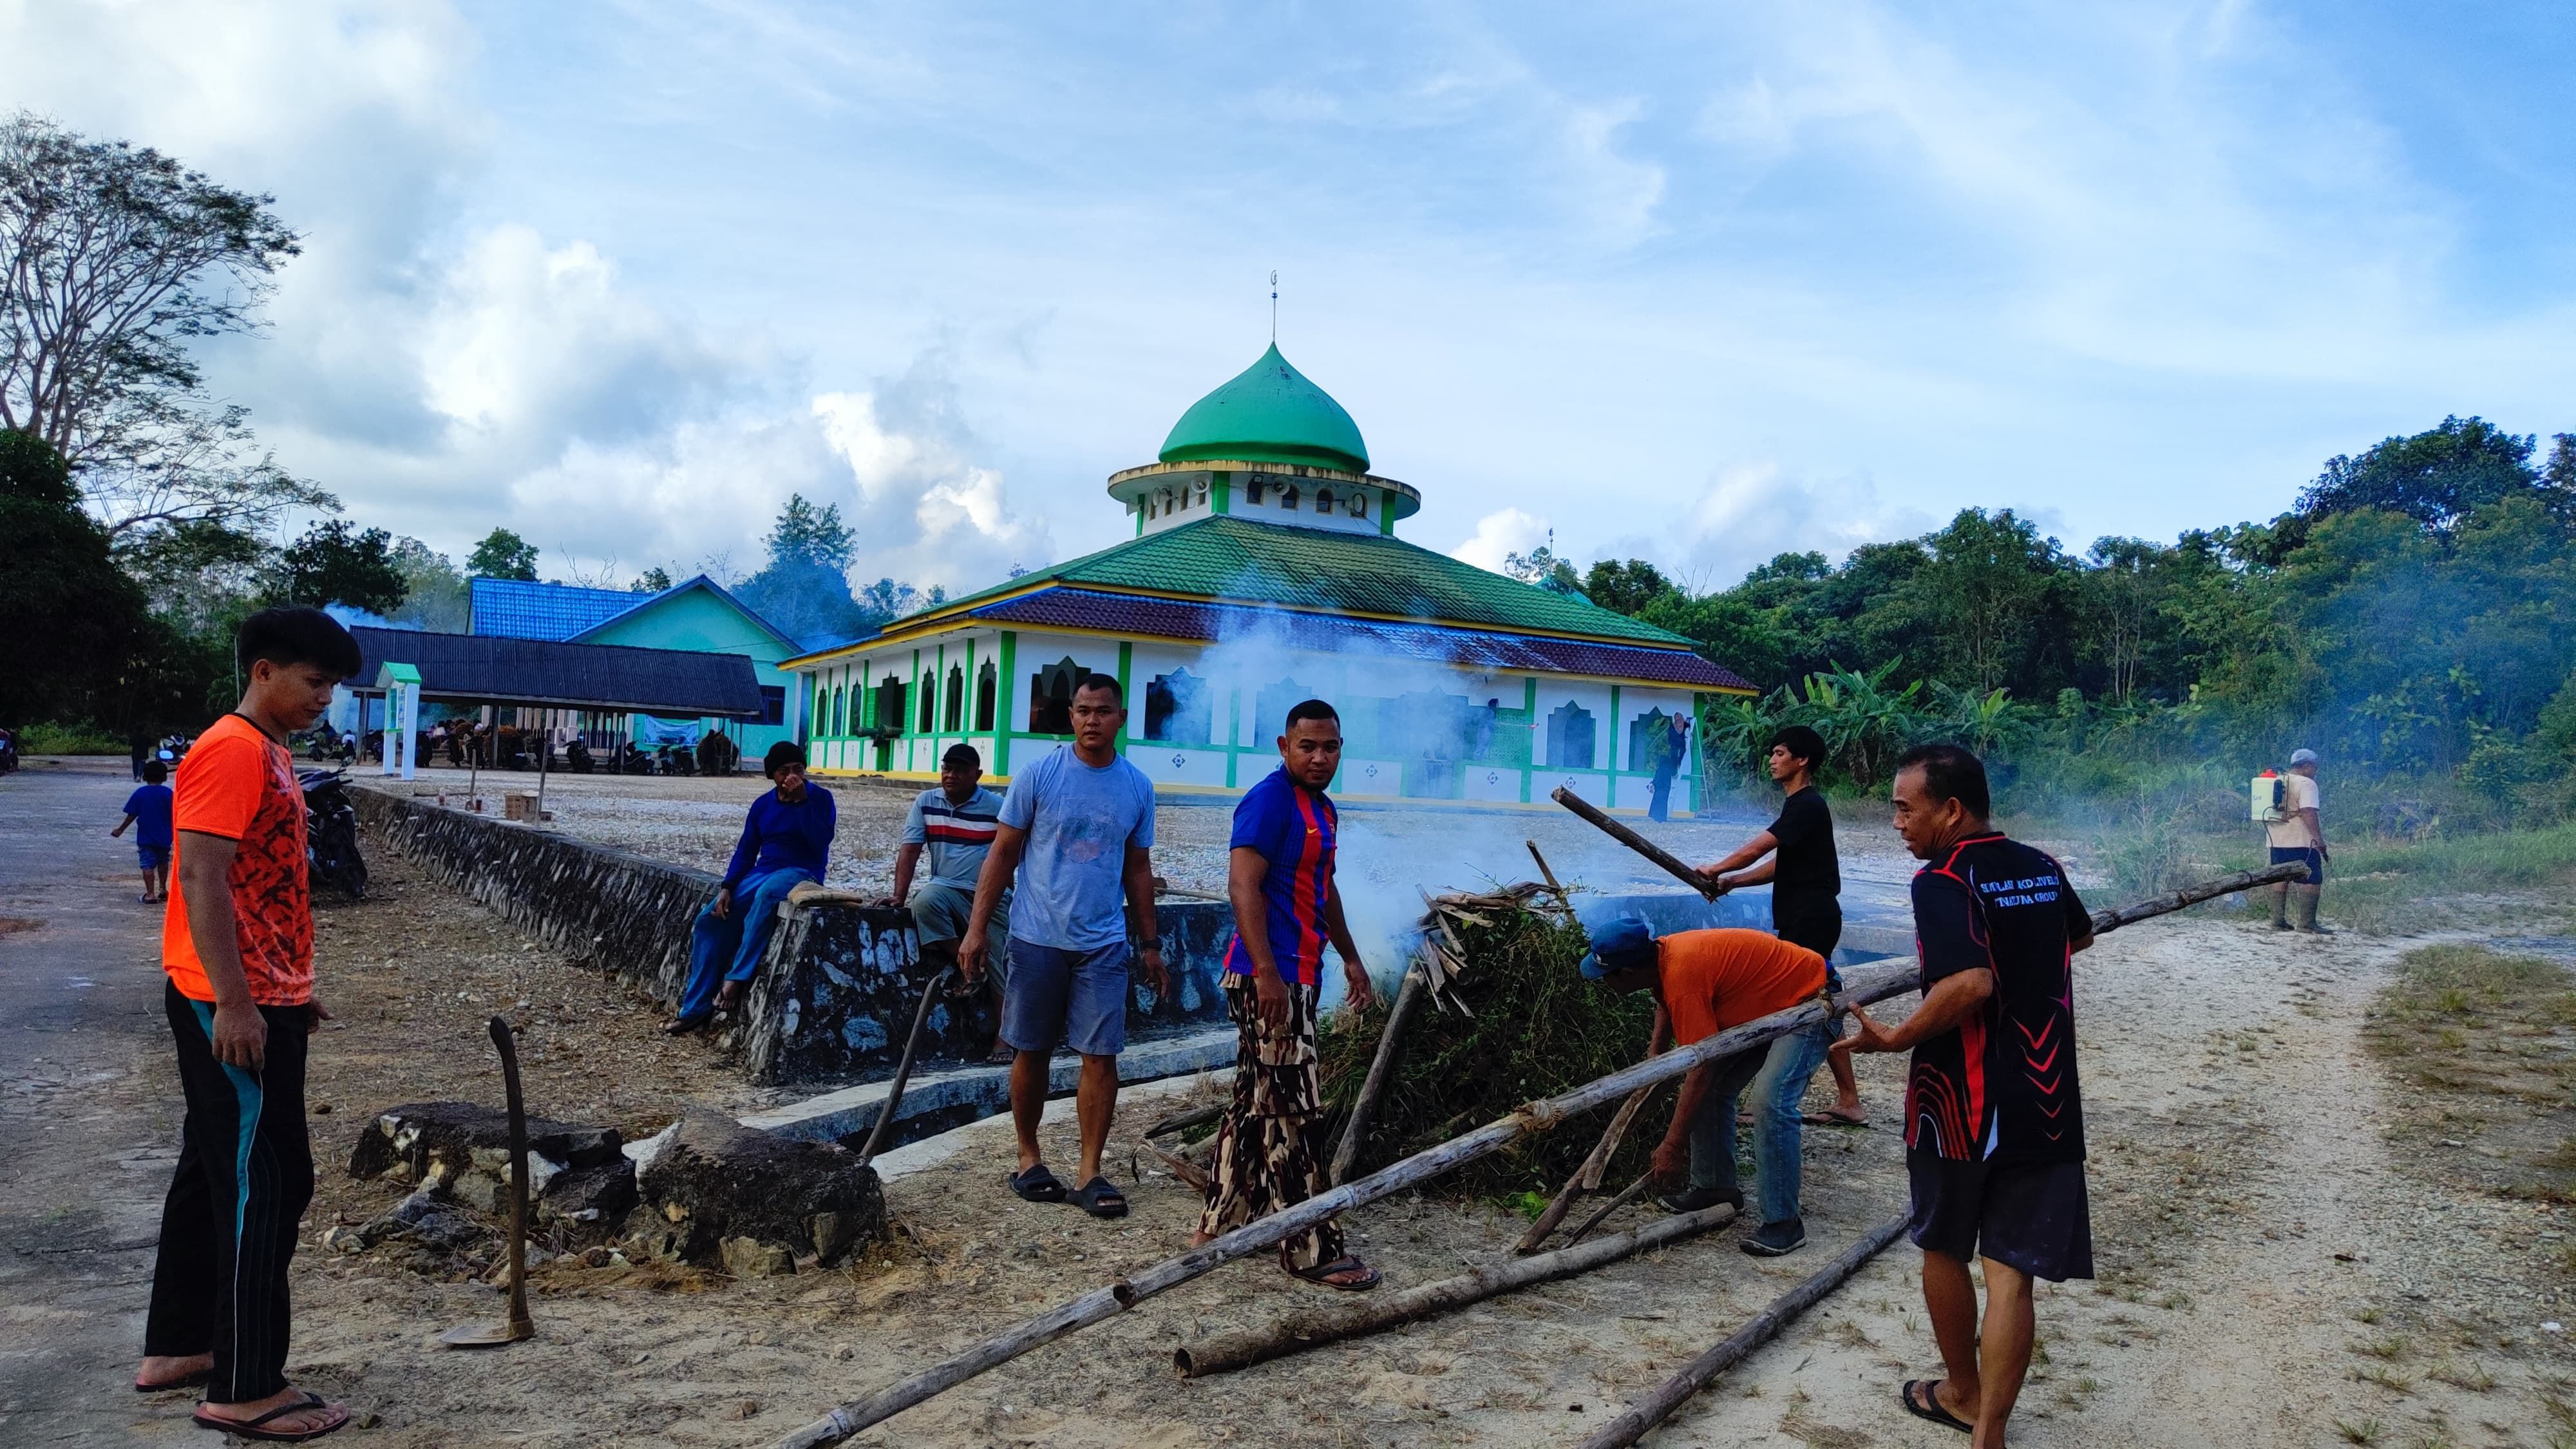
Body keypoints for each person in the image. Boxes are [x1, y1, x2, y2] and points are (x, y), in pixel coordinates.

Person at [137, 606, 359, 1440]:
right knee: (264, 1180)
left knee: (210, 1169)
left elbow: (260, 884)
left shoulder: (267, 749)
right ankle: (245, 1383)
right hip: (226, 1000)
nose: (324, 699)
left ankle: (180, 1344)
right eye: (314, 682)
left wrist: (290, 986)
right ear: (264, 670)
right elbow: (199, 875)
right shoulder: (231, 748)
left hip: (259, 991)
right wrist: (235, 999)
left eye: (333, 685)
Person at [1833, 743, 2094, 1448]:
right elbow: (2081, 937)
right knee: (2011, 1276)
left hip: (1959, 1105)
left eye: (1904, 808)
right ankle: (1991, 1434)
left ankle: (1960, 1393)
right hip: (2045, 1096)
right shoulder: (2042, 866)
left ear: (1950, 811)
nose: (1896, 823)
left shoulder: (1943, 879)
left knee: (1944, 1247)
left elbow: (1968, 984)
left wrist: (1894, 1039)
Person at [958, 675, 1166, 1219]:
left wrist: (1150, 944)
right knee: (1033, 1049)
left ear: (1121, 718)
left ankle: (1090, 1171)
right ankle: (1029, 1159)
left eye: (1103, 711)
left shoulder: (1137, 787)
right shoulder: (1040, 775)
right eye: (1082, 710)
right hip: (1035, 936)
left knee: (1102, 1056)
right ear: (1070, 717)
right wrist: (977, 930)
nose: (1092, 720)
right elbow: (1002, 856)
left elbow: (1138, 870)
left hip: (1102, 942)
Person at [1194, 699, 1382, 1288]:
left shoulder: (1323, 811)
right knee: (1296, 1113)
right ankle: (1311, 1248)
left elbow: (1323, 890)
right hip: (1269, 981)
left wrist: (1351, 957)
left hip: (1297, 976)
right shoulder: (1269, 801)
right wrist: (1268, 975)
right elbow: (1241, 886)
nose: (1320, 757)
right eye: (1308, 747)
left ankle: (1220, 1225)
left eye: (1330, 747)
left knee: (1256, 1103)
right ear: (1284, 746)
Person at [1583, 918, 1831, 1256]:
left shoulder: (1684, 973)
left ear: (1626, 975)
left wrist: (1673, 1146)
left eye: (1606, 977)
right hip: (1761, 1007)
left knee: (1771, 1102)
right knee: (1713, 1093)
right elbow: (1664, 1000)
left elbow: (1701, 1066)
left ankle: (1784, 1223)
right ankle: (1716, 1188)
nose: (1605, 984)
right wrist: (1656, 1052)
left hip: (1810, 1001)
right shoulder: (1662, 956)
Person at [1701, 724, 1867, 1126]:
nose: (1772, 761)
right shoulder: (1798, 808)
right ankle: (1848, 1100)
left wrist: (1717, 867)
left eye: (1779, 753)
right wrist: (1733, 881)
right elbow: (1781, 864)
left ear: (1801, 760)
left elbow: (1759, 848)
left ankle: (1779, 1097)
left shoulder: (1807, 805)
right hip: (1804, 915)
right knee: (1819, 995)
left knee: (1808, 999)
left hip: (1812, 916)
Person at [667, 741, 836, 1033]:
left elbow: (820, 842)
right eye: (785, 771)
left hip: (803, 870)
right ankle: (695, 1009)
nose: (792, 776)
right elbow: (746, 850)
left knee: (767, 895)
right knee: (710, 919)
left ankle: (737, 978)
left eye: (798, 769)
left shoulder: (820, 799)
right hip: (765, 869)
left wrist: (802, 802)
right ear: (773, 775)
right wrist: (728, 886)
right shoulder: (763, 805)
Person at [894, 743, 1012, 1061]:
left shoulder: (998, 807)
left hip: (989, 893)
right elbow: (910, 849)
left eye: (960, 770)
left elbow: (1011, 855)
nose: (951, 775)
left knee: (1000, 958)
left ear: (978, 774)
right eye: (947, 768)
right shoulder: (926, 802)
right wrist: (898, 896)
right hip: (945, 887)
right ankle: (968, 964)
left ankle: (1003, 1038)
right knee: (924, 903)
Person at [2266, 747, 2330, 935]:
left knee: (2280, 877)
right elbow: (2309, 813)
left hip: (2276, 839)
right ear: (2308, 766)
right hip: (2301, 840)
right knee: (2312, 879)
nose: (2316, 771)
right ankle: (2307, 923)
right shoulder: (2307, 784)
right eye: (2315, 767)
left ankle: (2277, 921)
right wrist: (2319, 840)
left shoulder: (2278, 780)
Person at [113, 759, 176, 903]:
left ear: (144, 776)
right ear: (165, 777)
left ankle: (150, 894)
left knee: (147, 865)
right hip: (165, 837)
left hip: (146, 837)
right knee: (163, 862)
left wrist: (120, 830)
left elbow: (131, 815)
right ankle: (163, 889)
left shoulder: (141, 793)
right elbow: (175, 815)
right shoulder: (169, 794)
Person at [1647, 712, 1690, 822]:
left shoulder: (1661, 769)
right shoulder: (1673, 727)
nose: (1678, 722)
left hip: (1661, 789)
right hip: (1674, 748)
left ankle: (1658, 818)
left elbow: (1657, 779)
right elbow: (1670, 737)